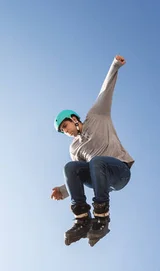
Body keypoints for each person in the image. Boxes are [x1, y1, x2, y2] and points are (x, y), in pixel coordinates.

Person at [50, 54, 134, 246]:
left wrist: (115, 66)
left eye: (66, 126)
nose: (67, 132)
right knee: (70, 167)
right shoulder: (75, 147)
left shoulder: (97, 115)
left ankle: (102, 217)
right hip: (100, 179)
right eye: (63, 131)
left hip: (120, 172)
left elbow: (105, 91)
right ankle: (82, 219)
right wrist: (63, 192)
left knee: (97, 161)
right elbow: (78, 177)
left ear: (74, 118)